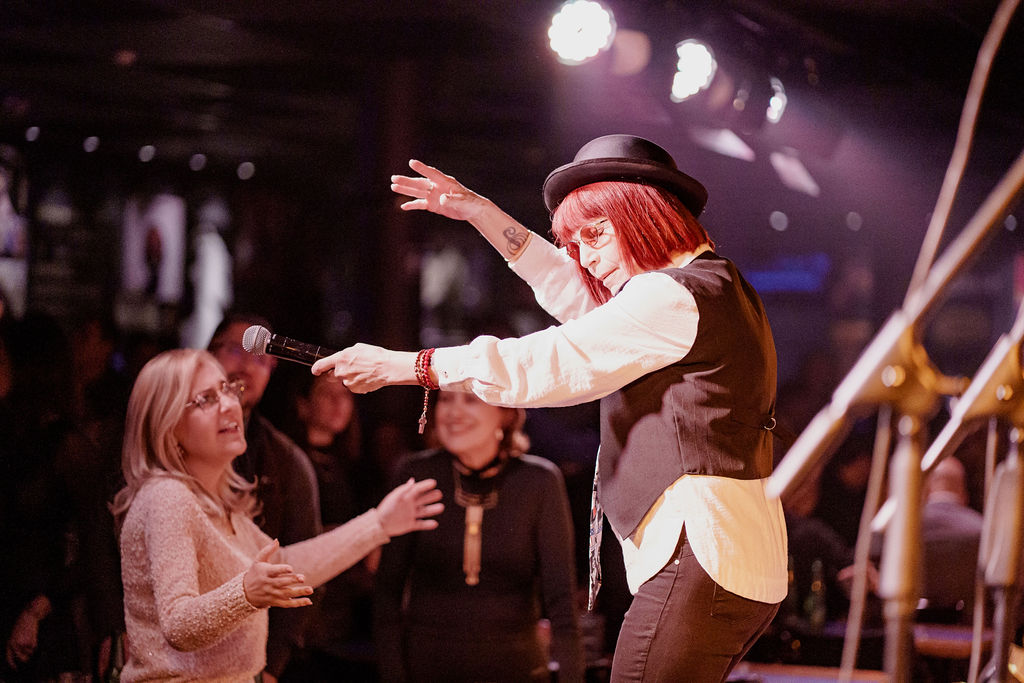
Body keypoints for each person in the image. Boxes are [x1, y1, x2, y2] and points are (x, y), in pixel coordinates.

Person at [312, 134, 788, 682]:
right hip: (734, 555)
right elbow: (576, 297)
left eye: (596, 234)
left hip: (703, 548)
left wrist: (407, 366)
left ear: (641, 214)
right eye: (576, 242)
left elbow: (549, 362)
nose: (585, 257)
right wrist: (480, 213)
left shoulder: (673, 296)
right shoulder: (712, 286)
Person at [110, 348, 443, 681]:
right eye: (206, 400)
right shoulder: (167, 496)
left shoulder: (212, 502)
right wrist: (244, 593)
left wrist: (379, 524)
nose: (230, 404)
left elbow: (285, 567)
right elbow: (178, 623)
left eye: (227, 390)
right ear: (167, 426)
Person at [373, 390, 584, 682]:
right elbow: (386, 595)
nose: (453, 412)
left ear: (506, 413)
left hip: (518, 671)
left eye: (470, 400)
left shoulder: (540, 481)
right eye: (446, 399)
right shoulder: (416, 473)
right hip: (425, 670)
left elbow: (562, 604)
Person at [208, 311, 323, 680]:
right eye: (235, 350)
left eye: (260, 358)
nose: (246, 366)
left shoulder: (285, 460)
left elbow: (303, 567)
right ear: (209, 353)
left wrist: (272, 662)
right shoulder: (171, 441)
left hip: (251, 651)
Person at [278, 371, 386, 681]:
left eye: (346, 394)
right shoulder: (287, 462)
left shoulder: (356, 467)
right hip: (302, 611)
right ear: (303, 404)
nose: (339, 403)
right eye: (327, 393)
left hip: (343, 613)